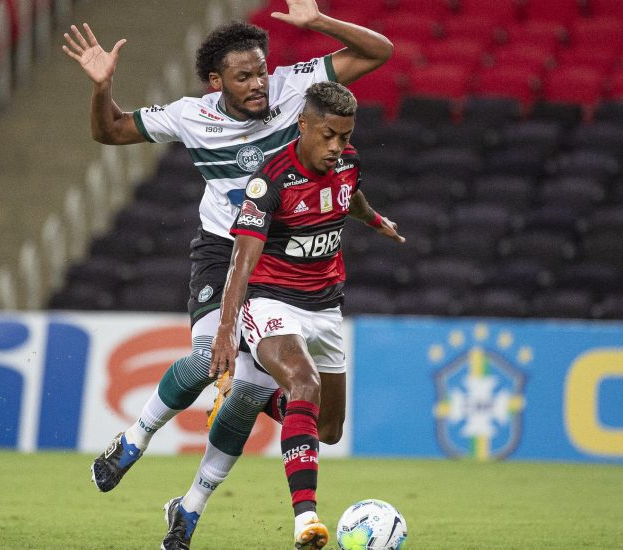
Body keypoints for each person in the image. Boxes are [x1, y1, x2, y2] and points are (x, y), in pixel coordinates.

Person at [60, 0, 393, 500]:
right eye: (244, 77)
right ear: (216, 82)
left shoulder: (294, 88)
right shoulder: (190, 116)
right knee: (207, 360)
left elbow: (379, 52)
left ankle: (190, 506)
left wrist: (319, 22)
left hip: (278, 259)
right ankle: (134, 439)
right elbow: (109, 131)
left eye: (261, 71)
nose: (259, 84)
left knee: (250, 393)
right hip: (223, 249)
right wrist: (102, 86)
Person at [163, 81, 402, 550]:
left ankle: (259, 399)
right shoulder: (270, 180)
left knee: (328, 429)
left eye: (345, 137)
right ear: (303, 125)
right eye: (328, 135)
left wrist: (375, 221)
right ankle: (306, 521)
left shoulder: (349, 163)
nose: (337, 147)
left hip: (325, 306)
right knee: (305, 384)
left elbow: (350, 196)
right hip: (271, 300)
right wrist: (226, 330)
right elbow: (240, 262)